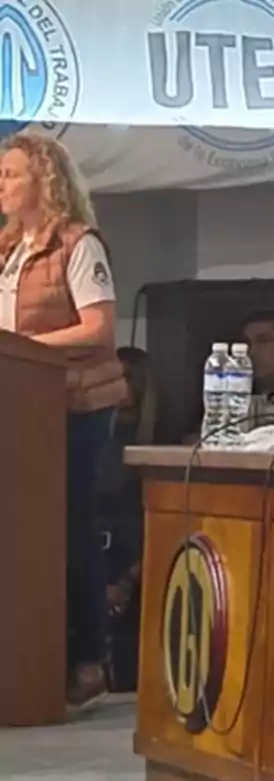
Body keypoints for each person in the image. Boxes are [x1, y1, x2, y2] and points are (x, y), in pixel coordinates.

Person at [0, 133, 124, 709]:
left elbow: (98, 329)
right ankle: (28, 658)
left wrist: (24, 346)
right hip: (24, 410)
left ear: (45, 181)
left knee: (71, 528)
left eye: (12, 174)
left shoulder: (77, 245)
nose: (1, 184)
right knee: (24, 536)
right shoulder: (8, 248)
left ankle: (89, 657)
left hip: (76, 407)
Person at [97, 346, 156, 692]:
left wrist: (128, 578)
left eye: (125, 377)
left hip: (137, 564)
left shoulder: (154, 444)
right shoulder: (92, 439)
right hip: (93, 559)